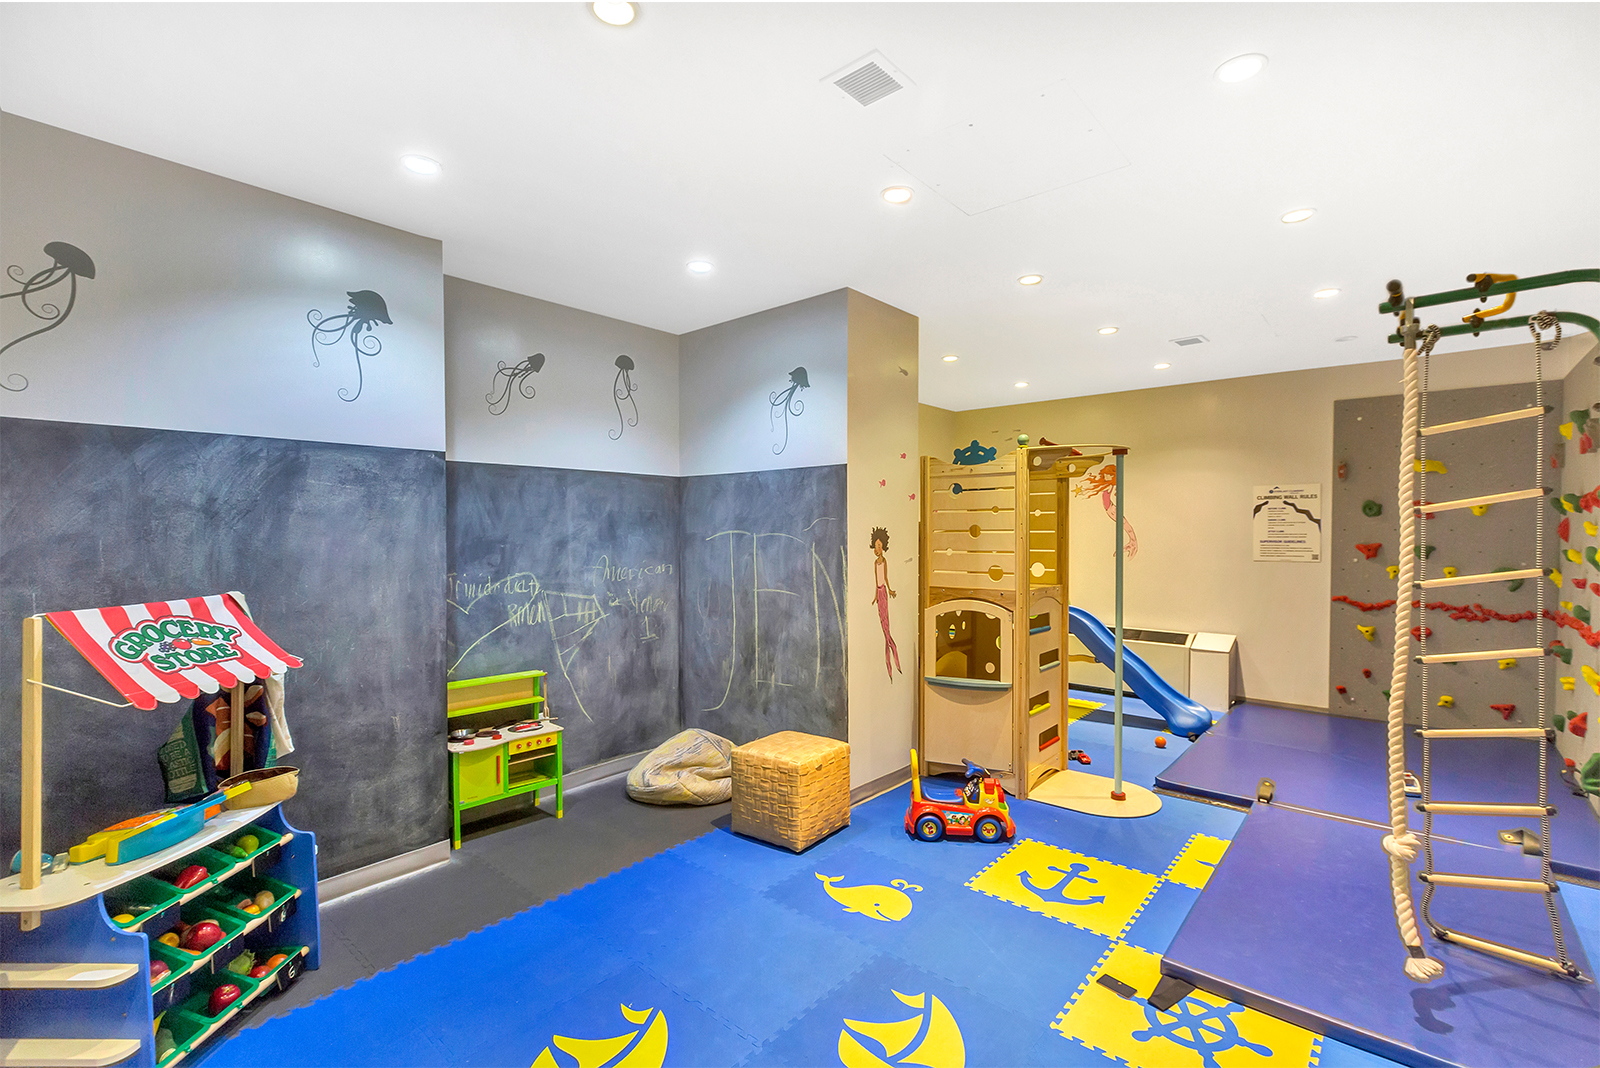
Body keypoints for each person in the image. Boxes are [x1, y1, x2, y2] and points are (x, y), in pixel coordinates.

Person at [870, 526, 902, 680]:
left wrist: (889, 590)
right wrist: (875, 596)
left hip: (883, 591)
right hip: (879, 592)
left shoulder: (884, 561)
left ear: (883, 547)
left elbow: (885, 577)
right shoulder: (875, 563)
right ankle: (890, 650)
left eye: (880, 546)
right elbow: (876, 580)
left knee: (886, 622)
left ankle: (891, 652)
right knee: (883, 623)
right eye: (876, 546)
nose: (878, 548)